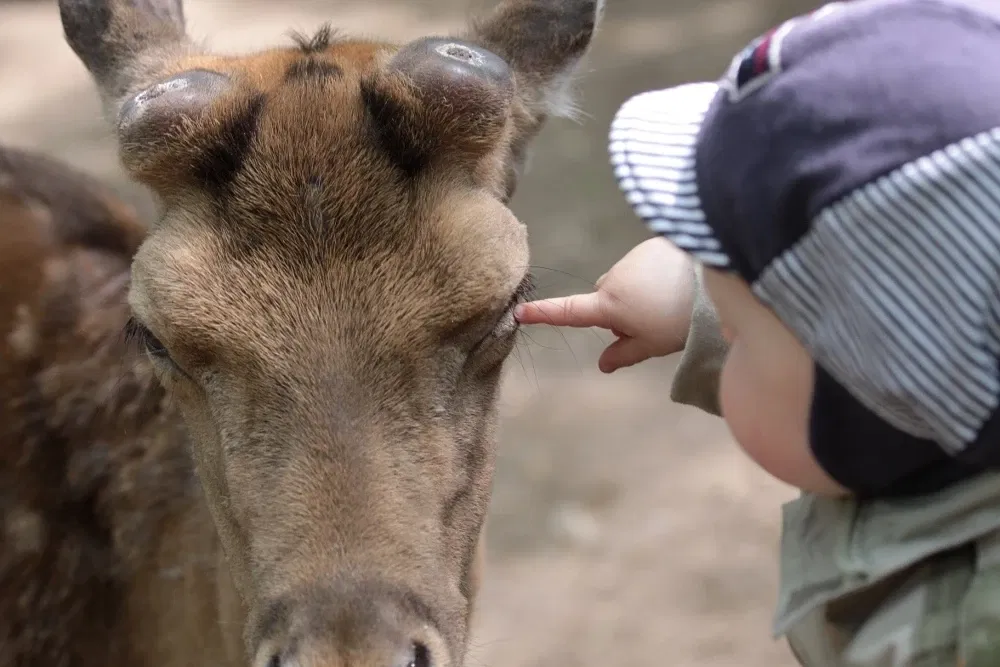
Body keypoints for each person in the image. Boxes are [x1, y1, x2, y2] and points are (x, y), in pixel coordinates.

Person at [515, 0, 1000, 664]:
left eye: (735, 327)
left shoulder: (960, 637)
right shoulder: (933, 417)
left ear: (880, 389)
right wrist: (698, 294)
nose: (716, 308)